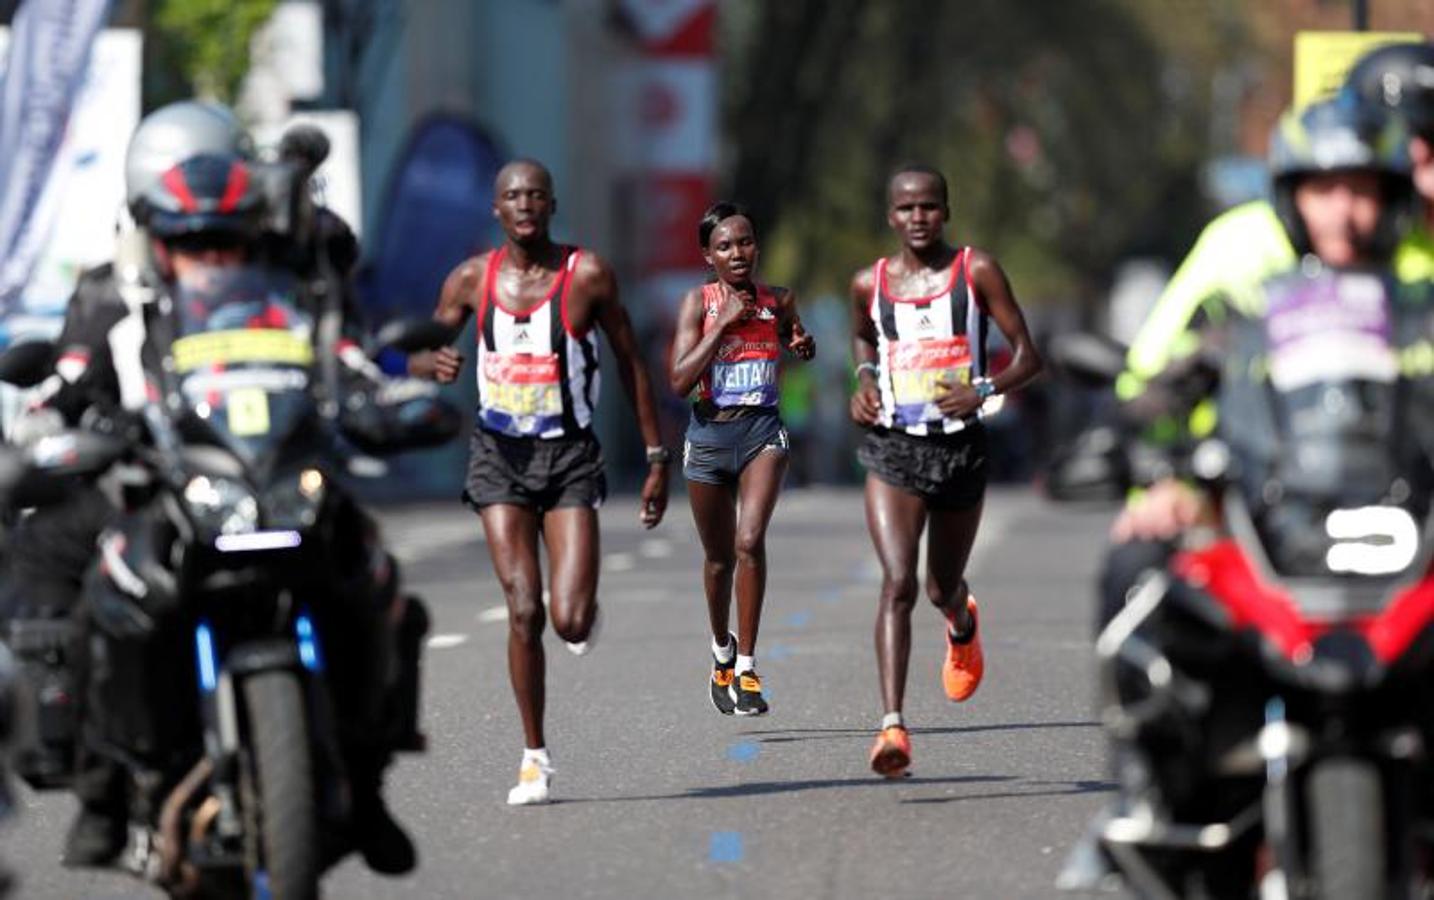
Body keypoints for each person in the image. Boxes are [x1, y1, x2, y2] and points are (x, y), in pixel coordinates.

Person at [9, 103, 427, 874]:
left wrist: (387, 402)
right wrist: (44, 434)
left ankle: (366, 785)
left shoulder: (294, 286)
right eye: (193, 240)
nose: (212, 253)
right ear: (161, 236)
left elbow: (351, 357)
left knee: (377, 579)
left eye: (226, 236)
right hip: (161, 487)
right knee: (111, 598)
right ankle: (104, 789)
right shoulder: (114, 297)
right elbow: (65, 383)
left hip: (278, 478)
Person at [409, 158, 670, 805]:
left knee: (570, 620)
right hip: (498, 458)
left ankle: (581, 614)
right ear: (496, 210)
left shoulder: (588, 276)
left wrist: (658, 457)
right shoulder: (472, 279)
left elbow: (633, 363)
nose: (524, 205)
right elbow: (422, 347)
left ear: (552, 206)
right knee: (523, 607)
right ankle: (534, 757)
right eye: (512, 197)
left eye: (535, 196)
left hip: (569, 458)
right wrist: (427, 362)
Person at [848, 164, 1042, 777]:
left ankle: (962, 621)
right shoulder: (869, 283)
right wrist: (865, 381)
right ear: (891, 216)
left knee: (938, 588)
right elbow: (863, 340)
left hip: (960, 449)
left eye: (929, 207)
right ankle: (893, 728)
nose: (918, 218)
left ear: (946, 211)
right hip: (893, 449)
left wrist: (982, 388)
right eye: (906, 208)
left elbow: (1029, 356)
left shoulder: (975, 272)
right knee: (898, 582)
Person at [1115, 40, 1434, 411]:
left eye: (1363, 187)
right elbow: (1146, 381)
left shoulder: (1418, 253)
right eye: (1326, 186)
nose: (1343, 211)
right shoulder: (1239, 244)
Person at [667, 202, 815, 717]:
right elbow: (680, 381)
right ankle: (722, 652)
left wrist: (799, 341)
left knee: (749, 541)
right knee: (718, 560)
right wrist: (721, 326)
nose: (738, 253)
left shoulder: (779, 298)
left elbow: (793, 331)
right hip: (708, 436)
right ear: (709, 256)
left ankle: (748, 669)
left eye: (746, 242)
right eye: (725, 246)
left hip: (761, 432)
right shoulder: (698, 303)